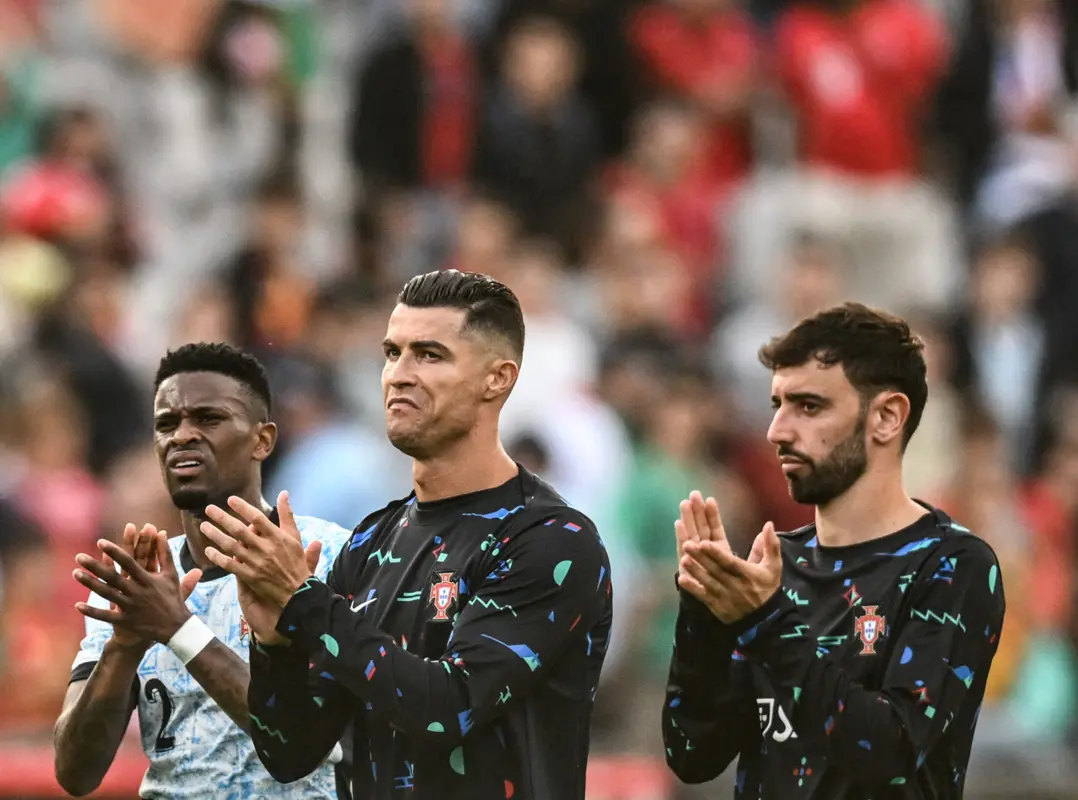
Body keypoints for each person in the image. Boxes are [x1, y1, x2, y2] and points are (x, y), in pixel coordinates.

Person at [201, 270, 613, 798]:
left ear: (498, 378)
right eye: (392, 353)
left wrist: (304, 604)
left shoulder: (551, 538)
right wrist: (276, 644)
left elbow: (448, 709)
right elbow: (291, 753)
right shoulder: (371, 541)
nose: (399, 374)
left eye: (429, 355)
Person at [663, 303, 1007, 798]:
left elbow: (889, 753)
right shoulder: (772, 569)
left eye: (809, 406)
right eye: (777, 405)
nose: (777, 431)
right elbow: (693, 756)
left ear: (887, 417)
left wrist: (763, 623)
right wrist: (704, 617)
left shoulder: (951, 565)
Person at [54, 342, 350, 798]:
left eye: (208, 419)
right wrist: (124, 645)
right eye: (166, 424)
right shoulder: (137, 579)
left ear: (262, 439)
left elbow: (315, 742)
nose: (182, 436)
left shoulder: (329, 555)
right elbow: (75, 773)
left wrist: (177, 628)